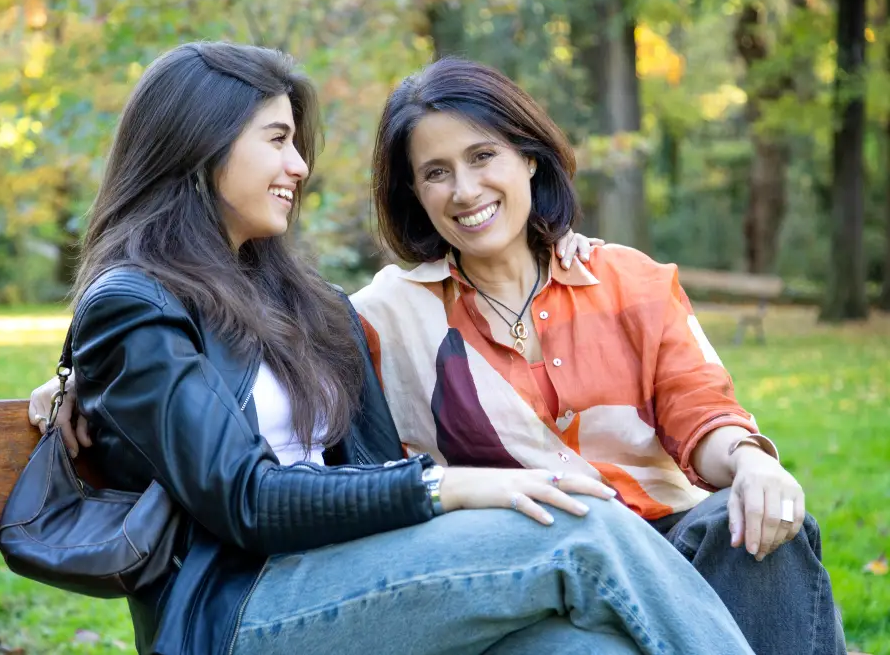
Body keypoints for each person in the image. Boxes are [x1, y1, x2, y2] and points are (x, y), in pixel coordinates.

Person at [26, 41, 757, 655]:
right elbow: (244, 498)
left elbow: (369, 465)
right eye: (277, 140)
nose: (299, 167)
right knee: (584, 527)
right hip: (244, 608)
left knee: (590, 647)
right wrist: (450, 486)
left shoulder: (300, 300)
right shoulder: (133, 303)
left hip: (367, 575)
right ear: (199, 143)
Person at [348, 57, 846, 655]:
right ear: (416, 193)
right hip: (534, 561)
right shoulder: (388, 317)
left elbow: (701, 412)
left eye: (483, 156)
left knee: (757, 531)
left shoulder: (629, 282)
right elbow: (375, 480)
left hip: (667, 537)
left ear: (528, 157)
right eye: (436, 172)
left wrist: (751, 463)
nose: (465, 189)